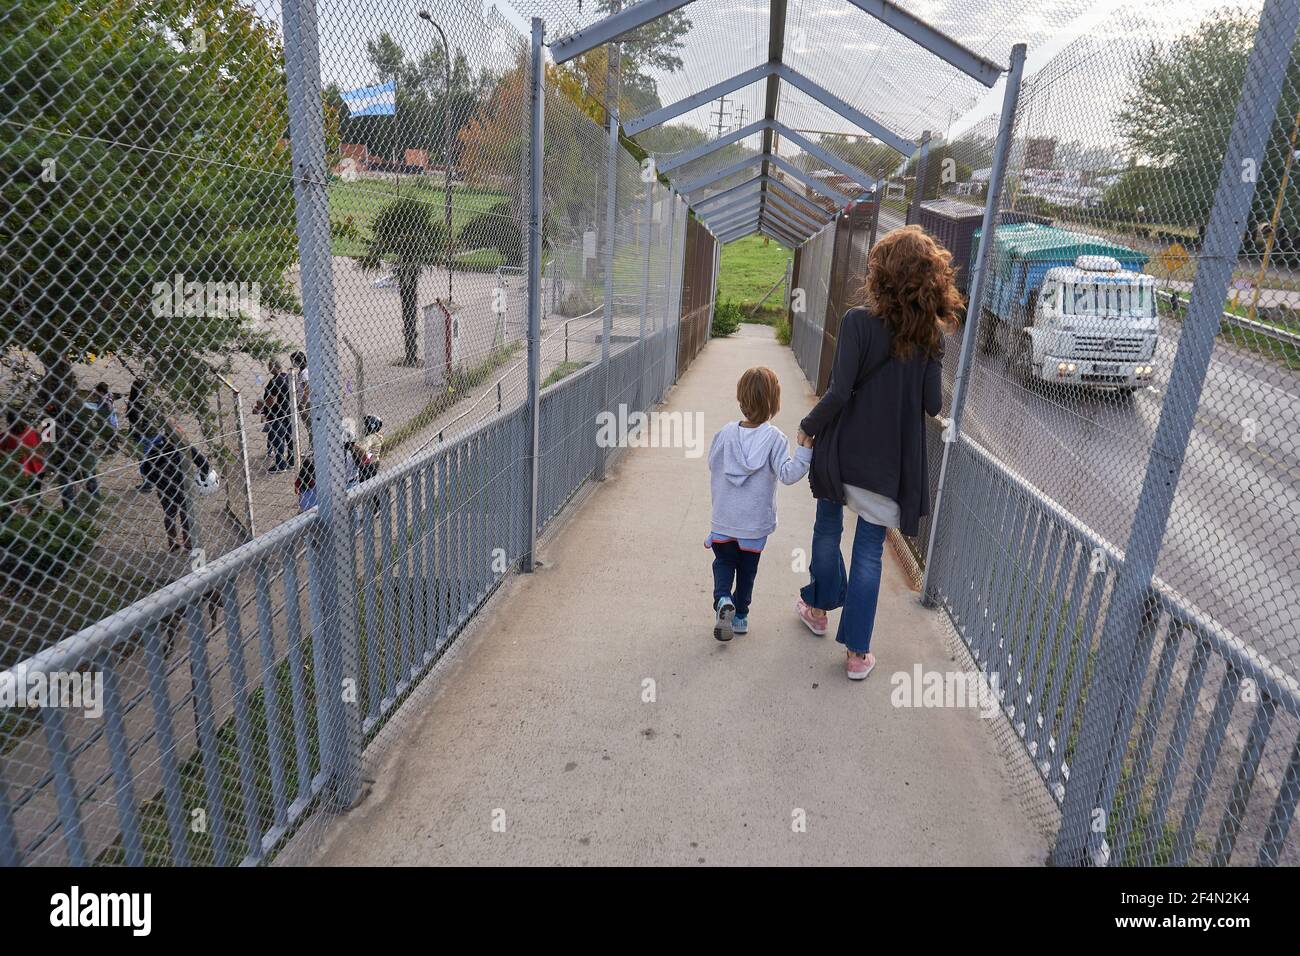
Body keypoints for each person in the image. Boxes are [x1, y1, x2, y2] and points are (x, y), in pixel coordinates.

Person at [794, 225, 956, 681]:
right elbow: (932, 405)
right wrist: (935, 350)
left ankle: (818, 608)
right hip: (889, 464)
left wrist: (809, 427)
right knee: (868, 552)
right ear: (930, 280)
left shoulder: (856, 323)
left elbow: (839, 391)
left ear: (881, 275)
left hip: (843, 450)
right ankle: (857, 654)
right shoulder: (930, 340)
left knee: (827, 528)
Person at [704, 366, 812, 642]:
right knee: (747, 571)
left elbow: (712, 463)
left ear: (741, 399)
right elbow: (788, 475)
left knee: (724, 563)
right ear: (774, 404)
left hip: (724, 518)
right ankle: (740, 616)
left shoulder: (725, 434)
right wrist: (804, 450)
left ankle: (722, 599)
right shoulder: (775, 439)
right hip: (753, 525)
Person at [254, 359, 293, 473]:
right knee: (290, 438)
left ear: (275, 367)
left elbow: (271, 400)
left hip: (277, 415)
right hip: (289, 411)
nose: (268, 369)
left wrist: (262, 405)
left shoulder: (275, 381)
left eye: (269, 367)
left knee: (278, 440)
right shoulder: (288, 377)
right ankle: (291, 461)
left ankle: (280, 465)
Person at [2, 409, 45, 504]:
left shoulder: (7, 437)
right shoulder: (33, 432)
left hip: (21, 473)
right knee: (34, 497)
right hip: (37, 469)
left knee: (13, 499)